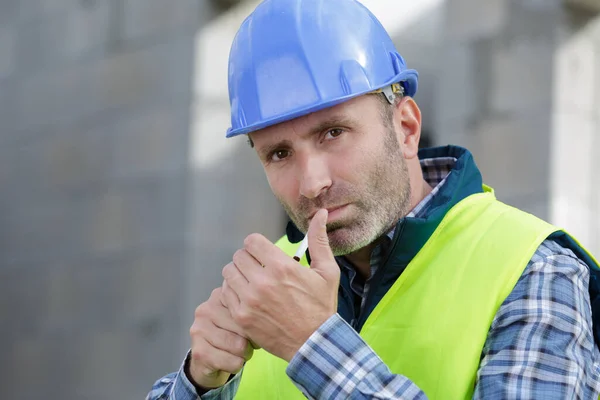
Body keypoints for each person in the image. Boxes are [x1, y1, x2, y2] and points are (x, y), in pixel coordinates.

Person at [147, 0, 600, 398]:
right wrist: (198, 384)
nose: (311, 183)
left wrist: (314, 346)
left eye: (333, 133)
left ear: (405, 128)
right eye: (279, 153)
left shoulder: (534, 271)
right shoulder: (267, 284)